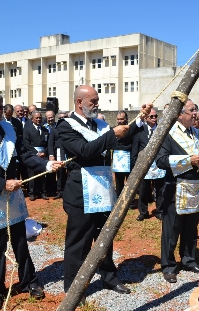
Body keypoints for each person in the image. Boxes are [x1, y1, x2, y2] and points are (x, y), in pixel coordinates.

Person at [0, 90, 62, 310]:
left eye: (0, 107)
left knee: (20, 242)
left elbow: (24, 153)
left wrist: (45, 165)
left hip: (13, 195)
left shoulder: (9, 128)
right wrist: (0, 183)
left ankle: (29, 281)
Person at [57, 85, 151, 294]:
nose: (97, 104)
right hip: (81, 193)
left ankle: (109, 277)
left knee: (104, 237)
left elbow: (123, 137)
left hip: (103, 190)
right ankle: (73, 287)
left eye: (97, 100)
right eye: (93, 100)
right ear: (80, 102)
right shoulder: (65, 126)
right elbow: (84, 151)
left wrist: (139, 120)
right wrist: (111, 136)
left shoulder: (98, 124)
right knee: (78, 242)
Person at [156, 99, 199, 283]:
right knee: (172, 228)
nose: (195, 113)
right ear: (180, 114)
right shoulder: (168, 134)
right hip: (175, 187)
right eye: (191, 110)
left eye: (196, 110)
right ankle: (168, 265)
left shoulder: (194, 132)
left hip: (193, 186)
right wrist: (188, 160)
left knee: (191, 226)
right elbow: (161, 161)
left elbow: (196, 159)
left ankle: (189, 259)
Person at [131, 108, 165, 221]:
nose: (154, 118)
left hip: (159, 165)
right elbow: (135, 149)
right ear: (146, 118)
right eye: (152, 116)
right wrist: (136, 164)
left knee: (160, 189)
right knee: (144, 190)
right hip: (144, 166)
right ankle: (143, 212)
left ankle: (160, 211)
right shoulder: (140, 131)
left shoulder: (161, 130)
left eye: (156, 116)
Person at [23, 111, 50, 201]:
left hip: (43, 155)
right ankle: (32, 193)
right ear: (32, 119)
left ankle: (42, 192)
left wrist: (44, 152)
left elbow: (48, 144)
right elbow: (26, 144)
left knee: (42, 175)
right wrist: (36, 152)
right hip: (32, 155)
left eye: (40, 118)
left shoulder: (45, 130)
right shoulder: (27, 129)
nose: (38, 119)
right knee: (32, 174)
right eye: (36, 118)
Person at [112, 111, 132, 203]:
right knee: (119, 181)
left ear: (126, 119)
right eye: (118, 119)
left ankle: (130, 200)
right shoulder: (113, 130)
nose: (120, 121)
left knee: (130, 181)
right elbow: (113, 144)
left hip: (128, 158)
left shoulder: (130, 129)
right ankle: (119, 199)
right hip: (118, 159)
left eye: (122, 119)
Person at [48, 110, 68, 199]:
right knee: (60, 172)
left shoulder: (71, 128)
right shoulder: (54, 129)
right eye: (60, 118)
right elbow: (50, 143)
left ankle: (68, 190)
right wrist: (51, 155)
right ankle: (60, 191)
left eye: (64, 117)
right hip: (59, 152)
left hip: (69, 152)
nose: (62, 119)